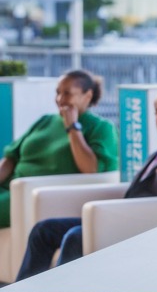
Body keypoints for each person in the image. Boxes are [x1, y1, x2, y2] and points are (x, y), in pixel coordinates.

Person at [16, 89, 157, 280]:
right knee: (44, 230)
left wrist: (118, 216)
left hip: (147, 228)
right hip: (124, 219)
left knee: (76, 236)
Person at [0, 69, 118, 228]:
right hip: (9, 188)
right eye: (58, 93)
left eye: (67, 94)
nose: (60, 99)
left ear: (87, 95)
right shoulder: (46, 120)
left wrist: (73, 128)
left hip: (34, 196)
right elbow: (11, 157)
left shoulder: (101, 128)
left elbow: (92, 169)